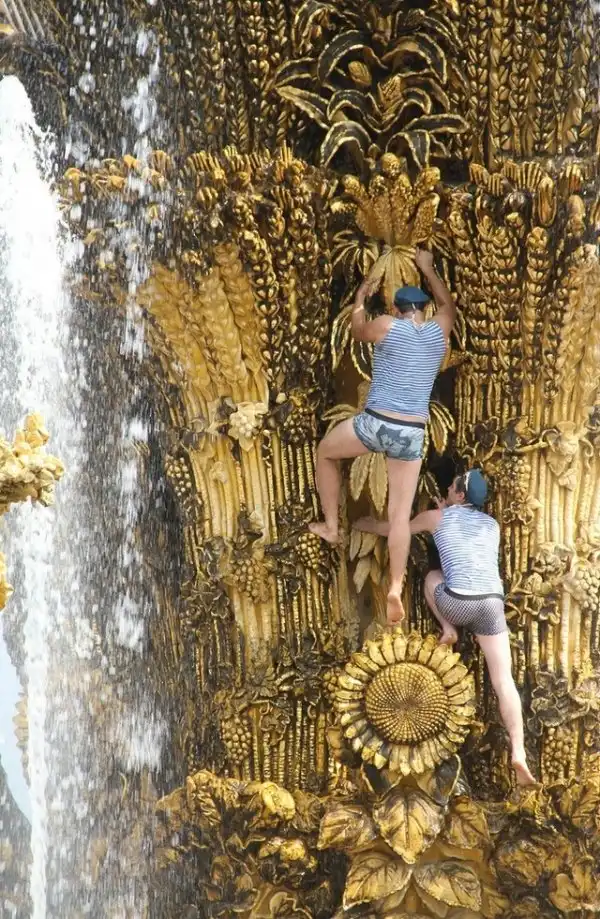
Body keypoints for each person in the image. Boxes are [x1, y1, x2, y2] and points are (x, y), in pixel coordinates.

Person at [355, 469, 536, 785]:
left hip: (456, 602)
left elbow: (397, 529)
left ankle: (448, 628)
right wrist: (448, 508)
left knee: (432, 578)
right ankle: (518, 752)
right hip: (491, 605)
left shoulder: (435, 518)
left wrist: (365, 524)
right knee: (503, 679)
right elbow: (464, 533)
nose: (447, 488)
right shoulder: (491, 525)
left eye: (452, 486)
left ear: (460, 495)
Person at [309, 248, 456, 624]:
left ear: (396, 308)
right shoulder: (439, 330)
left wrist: (360, 297)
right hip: (411, 433)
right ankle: (395, 585)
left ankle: (331, 525)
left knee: (326, 452)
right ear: (423, 309)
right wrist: (428, 268)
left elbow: (358, 329)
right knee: (400, 516)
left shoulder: (388, 326)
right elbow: (447, 304)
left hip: (376, 423)